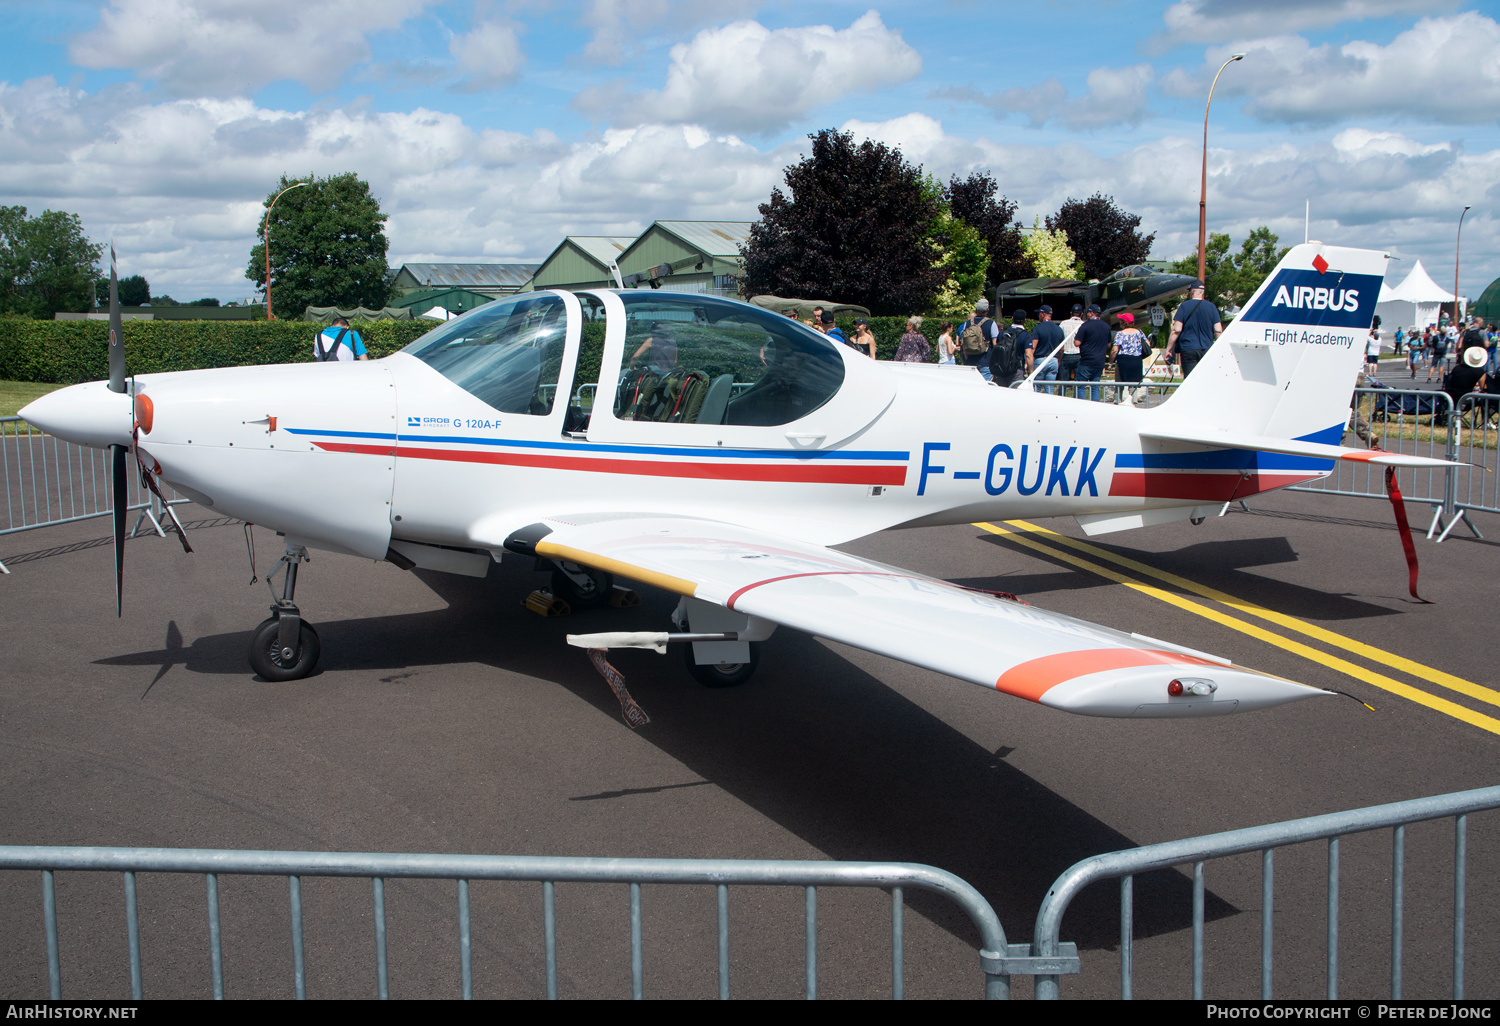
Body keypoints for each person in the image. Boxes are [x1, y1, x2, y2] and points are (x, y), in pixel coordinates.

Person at [1163, 281, 1223, 377]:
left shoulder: (1184, 306)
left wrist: (1169, 349)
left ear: (1192, 292)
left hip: (1188, 348)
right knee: (1205, 378)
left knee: (1190, 379)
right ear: (1202, 292)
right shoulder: (1211, 307)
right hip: (1207, 348)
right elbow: (1218, 330)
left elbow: (1176, 330)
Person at [1073, 304, 1112, 401]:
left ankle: (1081, 406)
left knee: (1081, 385)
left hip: (1087, 360)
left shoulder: (1085, 325)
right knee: (1095, 387)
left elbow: (1077, 343)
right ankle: (1096, 407)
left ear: (1091, 313)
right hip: (1099, 361)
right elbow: (1109, 344)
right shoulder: (1106, 326)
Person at [1111, 312, 1149, 404]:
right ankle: (1133, 402)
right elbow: (1148, 344)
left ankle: (1117, 401)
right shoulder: (1139, 332)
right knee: (1134, 384)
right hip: (1136, 360)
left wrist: (1111, 362)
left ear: (1124, 323)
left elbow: (1115, 350)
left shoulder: (1120, 334)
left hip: (1122, 360)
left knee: (1119, 384)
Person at [958, 298, 999, 381]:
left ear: (976, 309)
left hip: (970, 362)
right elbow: (995, 343)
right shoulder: (991, 323)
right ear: (988, 309)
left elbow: (963, 343)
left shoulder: (968, 323)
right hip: (985, 361)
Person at [990, 309, 1032, 387]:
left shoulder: (1003, 332)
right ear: (1025, 320)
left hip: (1002, 369)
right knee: (1016, 396)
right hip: (1016, 370)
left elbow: (996, 346)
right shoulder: (1025, 335)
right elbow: (1028, 355)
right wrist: (1031, 372)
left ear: (1012, 318)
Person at [1031, 305, 1062, 384]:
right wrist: (1059, 360)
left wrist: (1029, 363)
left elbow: (1033, 347)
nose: (1038, 316)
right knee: (1050, 387)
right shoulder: (1059, 329)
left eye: (1039, 314)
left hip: (1040, 359)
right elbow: (1062, 349)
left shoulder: (1037, 328)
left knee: (1037, 388)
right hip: (1053, 360)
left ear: (1043, 314)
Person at [1058, 303, 1084, 383]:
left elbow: (1059, 339)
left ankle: (1061, 395)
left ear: (1071, 312)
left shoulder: (1063, 324)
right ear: (1082, 314)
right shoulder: (1083, 325)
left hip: (1066, 354)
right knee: (1078, 382)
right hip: (1079, 355)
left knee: (1063, 382)